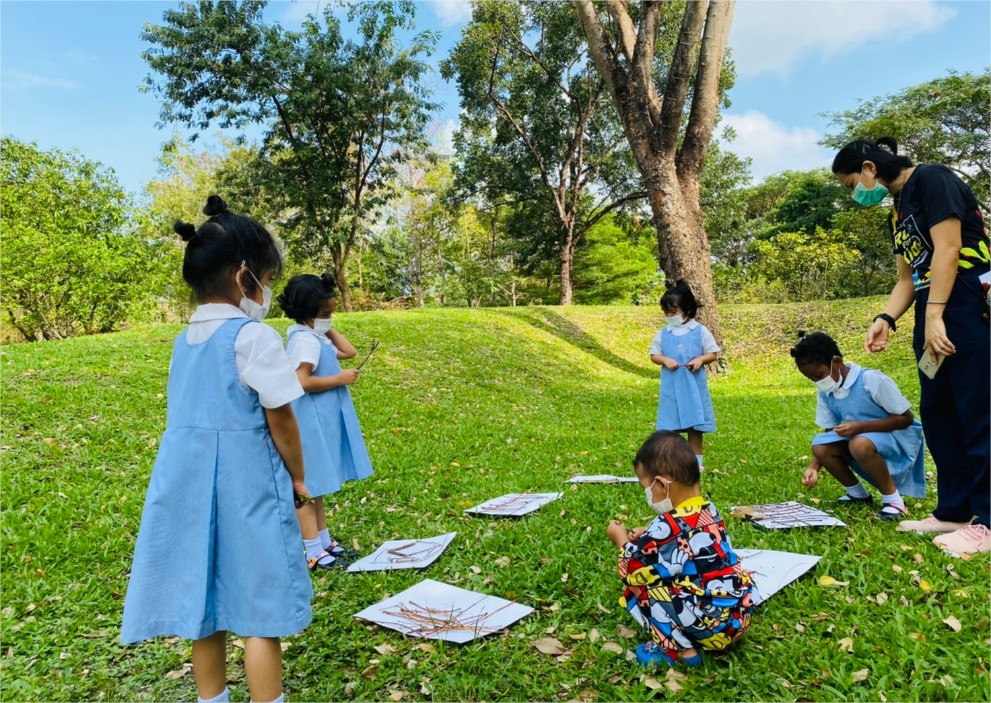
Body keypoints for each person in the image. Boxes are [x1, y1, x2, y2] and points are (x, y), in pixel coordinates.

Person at [121, 196, 313, 703]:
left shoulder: (183, 342)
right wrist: (298, 474)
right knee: (260, 610)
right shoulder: (253, 336)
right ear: (242, 276)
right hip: (247, 484)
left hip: (185, 483)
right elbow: (281, 418)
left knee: (203, 605)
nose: (266, 292)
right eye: (266, 280)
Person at [832, 137, 990, 554]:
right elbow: (908, 277)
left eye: (851, 184)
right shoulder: (897, 210)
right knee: (940, 413)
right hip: (929, 302)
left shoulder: (933, 179)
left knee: (978, 411)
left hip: (967, 300)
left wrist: (937, 315)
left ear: (870, 168)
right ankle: (956, 510)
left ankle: (988, 521)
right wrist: (885, 319)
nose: (854, 193)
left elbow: (949, 249)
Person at [607, 431, 752, 669]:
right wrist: (649, 533)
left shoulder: (666, 526)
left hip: (710, 628)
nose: (647, 495)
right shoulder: (709, 509)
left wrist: (620, 540)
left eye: (646, 488)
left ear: (661, 484)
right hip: (737, 619)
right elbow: (686, 540)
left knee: (645, 584)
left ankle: (679, 650)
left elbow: (633, 568)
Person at [279, 273, 373, 569]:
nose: (329, 319)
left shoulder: (313, 337)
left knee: (316, 483)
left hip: (319, 421)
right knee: (307, 486)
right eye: (325, 314)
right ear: (307, 313)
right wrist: (339, 379)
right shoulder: (305, 342)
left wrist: (326, 327)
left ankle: (323, 541)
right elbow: (301, 381)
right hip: (308, 422)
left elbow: (349, 352)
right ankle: (311, 550)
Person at [790, 332, 925, 519]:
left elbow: (906, 419)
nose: (817, 382)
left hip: (898, 440)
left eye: (818, 375)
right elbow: (829, 434)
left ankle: (894, 500)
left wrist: (861, 427)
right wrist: (814, 466)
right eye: (811, 379)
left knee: (859, 444)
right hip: (864, 439)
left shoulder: (871, 380)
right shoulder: (825, 391)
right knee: (820, 446)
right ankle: (858, 495)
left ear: (836, 362)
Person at [648, 281, 719, 471]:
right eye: (666, 313)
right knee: (670, 427)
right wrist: (664, 360)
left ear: (686, 308)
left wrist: (700, 360)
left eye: (673, 312)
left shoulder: (700, 331)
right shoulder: (664, 333)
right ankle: (673, 463)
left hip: (694, 387)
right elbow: (654, 355)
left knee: (695, 427)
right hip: (672, 387)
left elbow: (712, 353)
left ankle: (696, 465)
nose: (669, 316)